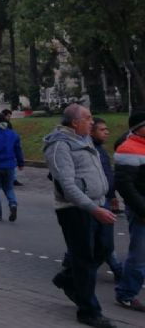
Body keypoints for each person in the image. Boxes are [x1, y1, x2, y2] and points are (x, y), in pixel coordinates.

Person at [45, 104, 117, 328]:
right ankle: (88, 311)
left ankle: (68, 279)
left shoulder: (85, 139)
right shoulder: (59, 145)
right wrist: (93, 209)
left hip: (98, 204)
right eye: (88, 118)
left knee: (103, 249)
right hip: (75, 211)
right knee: (84, 259)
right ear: (75, 122)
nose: (92, 122)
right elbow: (67, 186)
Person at [113, 109, 145, 312]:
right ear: (138, 128)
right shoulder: (129, 149)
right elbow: (125, 185)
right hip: (141, 209)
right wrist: (142, 209)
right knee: (140, 254)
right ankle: (126, 293)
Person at [88, 118, 123, 282]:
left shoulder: (101, 149)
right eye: (102, 129)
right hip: (91, 202)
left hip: (105, 199)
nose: (107, 132)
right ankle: (116, 269)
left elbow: (107, 174)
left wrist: (112, 195)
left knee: (104, 241)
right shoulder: (87, 150)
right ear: (91, 131)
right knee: (100, 241)